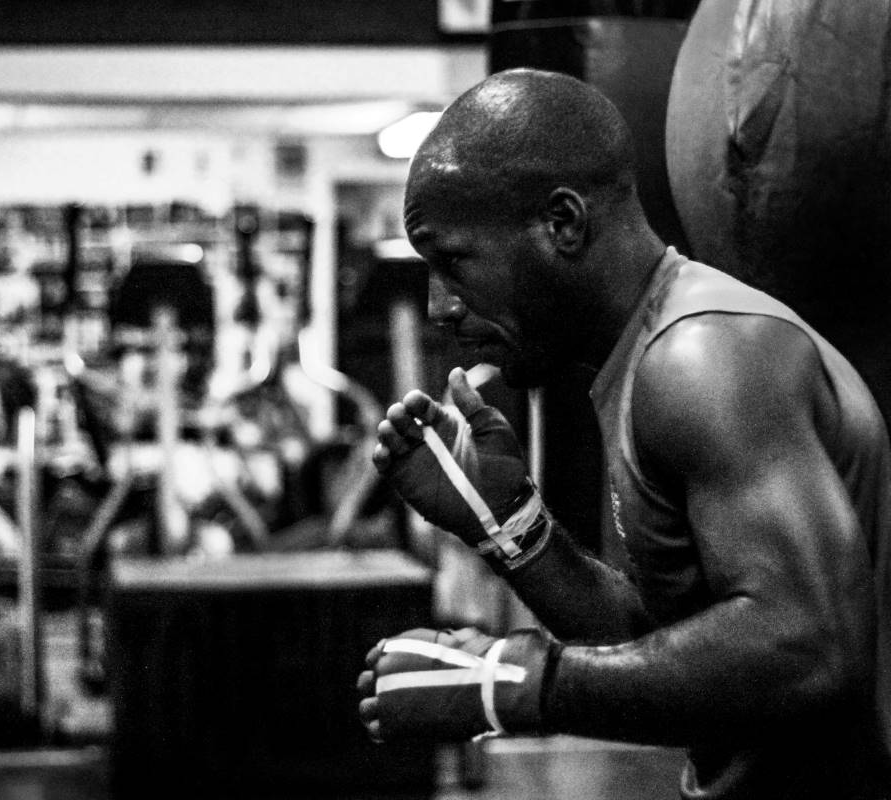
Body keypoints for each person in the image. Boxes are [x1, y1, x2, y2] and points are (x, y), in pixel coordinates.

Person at [356, 67, 891, 800]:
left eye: (452, 262)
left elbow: (811, 648)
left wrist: (515, 683)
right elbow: (670, 650)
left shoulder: (699, 358)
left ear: (563, 224)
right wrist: (511, 526)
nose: (440, 306)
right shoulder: (637, 364)